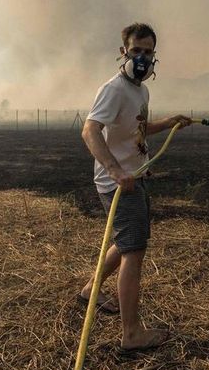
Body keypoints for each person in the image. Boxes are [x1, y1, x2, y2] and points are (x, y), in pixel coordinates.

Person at [79, 22, 192, 351]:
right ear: (123, 52)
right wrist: (115, 171)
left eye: (148, 52)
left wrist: (168, 123)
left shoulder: (141, 91)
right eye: (136, 51)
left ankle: (90, 290)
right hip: (119, 184)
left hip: (135, 177)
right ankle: (131, 334)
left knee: (127, 242)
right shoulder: (113, 89)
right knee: (134, 251)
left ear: (154, 55)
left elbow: (136, 130)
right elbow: (89, 131)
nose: (141, 58)